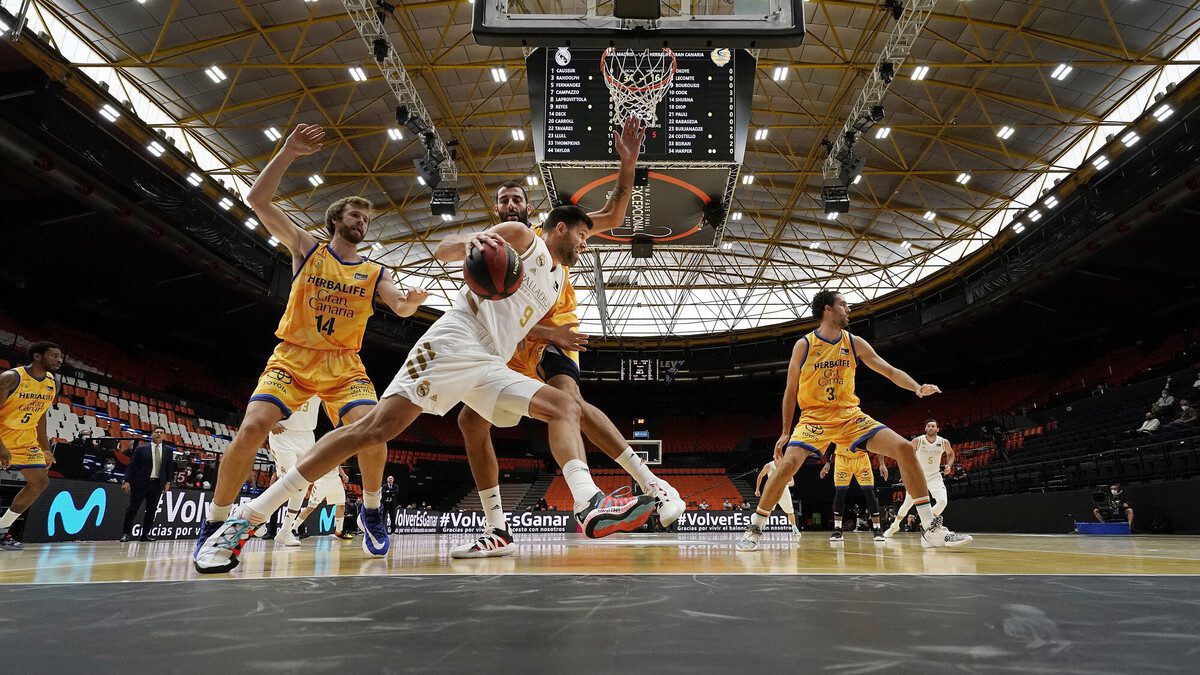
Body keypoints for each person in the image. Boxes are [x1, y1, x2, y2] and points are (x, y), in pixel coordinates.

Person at [197, 204, 657, 572]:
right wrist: (470, 243)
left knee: (564, 406)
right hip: (454, 341)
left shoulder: (556, 284)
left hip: (489, 361)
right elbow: (444, 249)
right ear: (559, 228)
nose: (586, 242)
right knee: (372, 431)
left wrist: (551, 334)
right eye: (582, 234)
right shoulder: (522, 238)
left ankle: (586, 504)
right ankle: (247, 518)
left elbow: (514, 322)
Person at [193, 124, 429, 572]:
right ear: (336, 220)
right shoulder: (307, 248)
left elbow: (399, 306)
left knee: (373, 429)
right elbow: (257, 200)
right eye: (354, 216)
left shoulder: (375, 271)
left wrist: (411, 302)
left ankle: (372, 509)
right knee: (252, 428)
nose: (361, 223)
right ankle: (217, 521)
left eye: (366, 219)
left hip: (343, 363)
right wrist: (287, 151)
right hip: (293, 356)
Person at [452, 119, 684, 559]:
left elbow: (614, 215)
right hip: (517, 336)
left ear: (530, 207)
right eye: (504, 200)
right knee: (470, 421)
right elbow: (486, 309)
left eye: (517, 198)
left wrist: (628, 164)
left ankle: (651, 484)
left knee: (570, 401)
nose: (511, 204)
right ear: (496, 208)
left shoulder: (550, 238)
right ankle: (497, 529)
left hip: (556, 328)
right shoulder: (489, 250)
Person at [738, 291, 971, 551]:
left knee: (905, 448)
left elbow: (889, 370)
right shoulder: (804, 345)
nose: (848, 309)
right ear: (828, 309)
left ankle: (930, 529)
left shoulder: (853, 342)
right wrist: (785, 431)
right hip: (815, 418)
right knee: (787, 465)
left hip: (849, 416)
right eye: (843, 304)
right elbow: (790, 390)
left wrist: (917, 387)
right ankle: (755, 528)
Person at [0, 341, 63, 551]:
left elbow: (41, 416)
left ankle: (2, 529)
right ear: (37, 356)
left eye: (60, 356)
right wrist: (1, 446)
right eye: (54, 355)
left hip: (25, 438)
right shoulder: (10, 378)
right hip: (1, 434)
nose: (59, 360)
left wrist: (45, 448)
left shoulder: (53, 383)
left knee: (39, 482)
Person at [884, 419, 955, 541]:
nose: (931, 428)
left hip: (935, 476)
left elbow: (951, 453)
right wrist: (906, 473)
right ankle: (894, 526)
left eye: (933, 426)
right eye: (929, 426)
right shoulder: (918, 441)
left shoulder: (944, 442)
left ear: (937, 429)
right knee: (906, 505)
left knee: (943, 501)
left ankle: (926, 523)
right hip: (917, 476)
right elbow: (905, 455)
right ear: (925, 428)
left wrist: (949, 465)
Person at [266, 395, 321, 547]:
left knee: (302, 484)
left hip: (307, 435)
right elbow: (265, 393)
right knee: (290, 482)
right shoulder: (285, 378)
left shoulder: (323, 383)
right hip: (282, 433)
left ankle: (285, 531)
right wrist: (269, 421)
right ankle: (257, 517)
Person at [817, 442, 884, 541]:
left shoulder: (863, 430)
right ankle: (837, 528)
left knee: (869, 493)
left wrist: (882, 464)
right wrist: (827, 463)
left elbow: (877, 444)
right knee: (840, 493)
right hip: (842, 459)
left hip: (861, 458)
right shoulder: (838, 431)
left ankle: (877, 528)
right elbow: (832, 444)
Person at [120, 426, 176, 542]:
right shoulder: (141, 449)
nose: (158, 434)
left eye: (161, 432)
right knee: (132, 509)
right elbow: (132, 465)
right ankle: (125, 534)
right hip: (140, 483)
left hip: (157, 485)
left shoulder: (168, 450)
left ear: (164, 436)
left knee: (151, 511)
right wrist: (126, 480)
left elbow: (169, 467)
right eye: (156, 432)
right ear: (152, 434)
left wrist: (167, 482)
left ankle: (145, 535)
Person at [292, 466, 354, 541]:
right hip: (322, 481)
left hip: (336, 481)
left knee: (341, 505)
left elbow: (338, 465)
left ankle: (338, 532)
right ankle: (292, 529)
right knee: (311, 507)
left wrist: (343, 475)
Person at [755, 458, 802, 535]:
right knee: (767, 511)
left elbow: (792, 482)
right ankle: (760, 527)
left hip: (784, 491)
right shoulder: (769, 465)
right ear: (774, 456)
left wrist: (784, 483)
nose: (778, 457)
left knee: (790, 512)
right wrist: (757, 489)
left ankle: (794, 528)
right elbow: (760, 476)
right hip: (772, 491)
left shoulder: (787, 466)